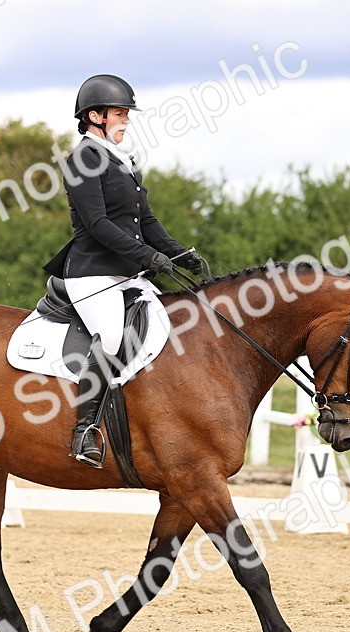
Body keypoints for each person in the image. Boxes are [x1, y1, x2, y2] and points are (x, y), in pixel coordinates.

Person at [50, 74, 205, 468]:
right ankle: (84, 429)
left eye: (125, 114)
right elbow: (99, 225)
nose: (126, 120)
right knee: (113, 337)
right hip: (92, 274)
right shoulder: (82, 160)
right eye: (120, 113)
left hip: (126, 274)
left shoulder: (124, 161)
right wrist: (147, 257)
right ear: (95, 116)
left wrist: (177, 252)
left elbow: (146, 221)